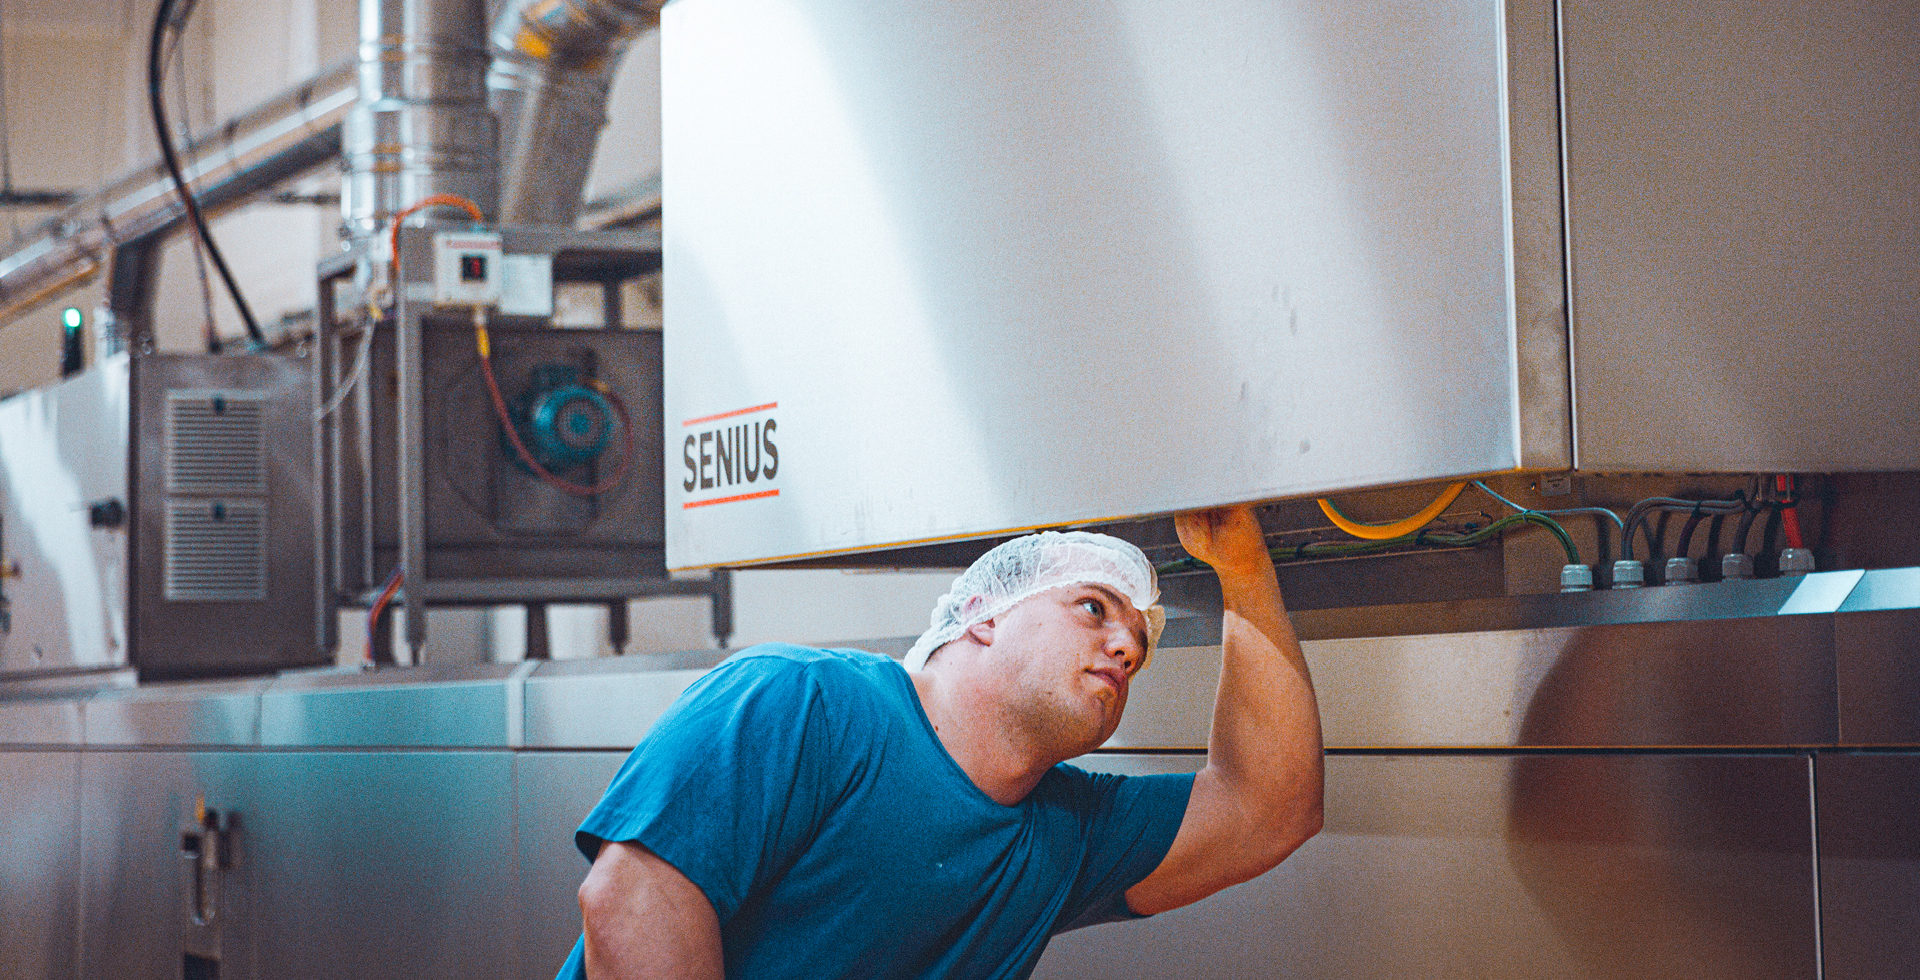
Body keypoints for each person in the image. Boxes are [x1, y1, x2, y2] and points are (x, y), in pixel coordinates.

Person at [554, 505, 1323, 979]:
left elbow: (1271, 804)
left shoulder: (1068, 832)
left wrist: (1243, 567)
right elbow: (632, 902)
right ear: (984, 614)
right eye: (1092, 608)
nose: (1125, 645)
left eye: (1140, 643)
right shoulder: (803, 701)